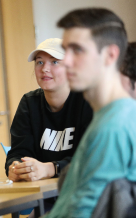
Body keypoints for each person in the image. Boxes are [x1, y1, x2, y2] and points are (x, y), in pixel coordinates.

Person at [44, 8, 136, 218]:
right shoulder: (110, 116)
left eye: (77, 50)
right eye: (65, 50)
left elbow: (80, 213)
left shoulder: (113, 127)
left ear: (110, 55)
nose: (65, 61)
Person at [5, 38, 93, 183]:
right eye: (39, 62)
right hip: (44, 193)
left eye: (55, 62)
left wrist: (50, 169)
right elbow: (18, 152)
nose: (45, 69)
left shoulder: (88, 100)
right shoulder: (29, 103)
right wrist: (16, 167)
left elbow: (93, 157)